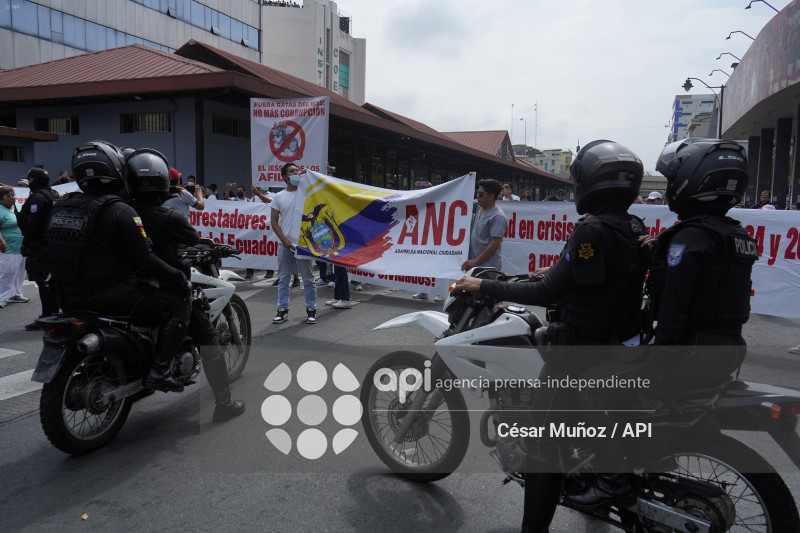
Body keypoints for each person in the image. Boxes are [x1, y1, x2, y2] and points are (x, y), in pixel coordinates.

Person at [454, 140, 649, 533]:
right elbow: (595, 277)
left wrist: (482, 286)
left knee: (541, 439)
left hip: (580, 352)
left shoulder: (591, 229)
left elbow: (547, 293)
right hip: (616, 344)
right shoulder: (632, 227)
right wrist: (555, 268)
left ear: (590, 183)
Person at [47, 140, 192, 392]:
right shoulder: (121, 210)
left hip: (63, 295)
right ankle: (159, 370)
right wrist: (180, 279)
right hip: (107, 295)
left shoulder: (61, 205)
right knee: (179, 302)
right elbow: (146, 259)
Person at [123, 147, 245, 421]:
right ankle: (224, 404)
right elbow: (192, 239)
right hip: (166, 287)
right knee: (208, 338)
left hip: (126, 289)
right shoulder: (168, 217)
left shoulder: (119, 211)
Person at [649, 138, 756, 387]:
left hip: (694, 349)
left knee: (603, 382)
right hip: (730, 348)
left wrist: (657, 367)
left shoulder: (692, 236)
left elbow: (674, 308)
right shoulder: (735, 233)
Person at [270, 163, 317, 324]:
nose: (296, 173)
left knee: (308, 278)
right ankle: (282, 310)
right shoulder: (278, 197)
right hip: (285, 245)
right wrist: (284, 241)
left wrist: (309, 175)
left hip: (303, 245)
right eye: (292, 171)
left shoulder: (306, 193)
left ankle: (311, 309)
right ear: (285, 177)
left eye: (297, 170)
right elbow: (274, 221)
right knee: (284, 279)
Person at [17, 167, 60, 330]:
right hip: (53, 243)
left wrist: (25, 243)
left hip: (40, 245)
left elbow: (33, 223)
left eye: (30, 179)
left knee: (42, 280)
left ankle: (47, 316)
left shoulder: (38, 197)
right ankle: (54, 312)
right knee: (52, 280)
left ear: (35, 180)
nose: (29, 182)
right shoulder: (54, 194)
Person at [461, 179, 507, 272]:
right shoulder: (479, 207)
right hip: (473, 265)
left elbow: (495, 243)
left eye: (480, 194)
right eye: (477, 192)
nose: (477, 196)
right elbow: (462, 201)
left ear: (491, 197)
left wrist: (475, 262)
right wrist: (468, 179)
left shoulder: (498, 216)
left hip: (487, 268)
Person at [0, 186, 28, 308]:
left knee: (20, 273)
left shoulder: (17, 207)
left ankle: (16, 294)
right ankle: (1, 297)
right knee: (7, 273)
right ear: (1, 199)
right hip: (8, 247)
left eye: (13, 195)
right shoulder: (0, 210)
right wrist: (1, 242)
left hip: (21, 247)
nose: (12, 197)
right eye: (8, 195)